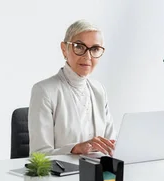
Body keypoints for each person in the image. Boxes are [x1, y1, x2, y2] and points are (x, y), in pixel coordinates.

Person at [28, 19, 115, 157]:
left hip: (97, 174)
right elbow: (38, 155)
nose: (87, 56)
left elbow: (111, 146)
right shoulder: (44, 91)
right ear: (64, 49)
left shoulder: (99, 90)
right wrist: (74, 148)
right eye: (79, 47)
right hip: (61, 176)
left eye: (95, 49)